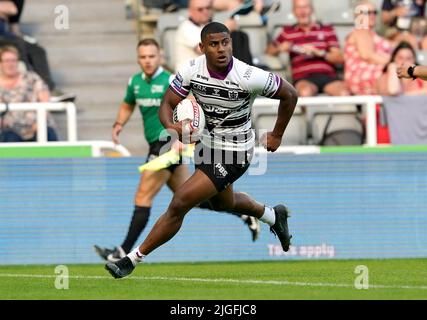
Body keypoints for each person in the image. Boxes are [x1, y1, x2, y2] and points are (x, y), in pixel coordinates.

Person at [105, 22, 298, 279]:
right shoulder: (192, 70)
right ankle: (273, 216)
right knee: (223, 203)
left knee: (180, 201)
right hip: (206, 147)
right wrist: (173, 126)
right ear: (202, 47)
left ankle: (132, 259)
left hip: (235, 153)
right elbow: (167, 102)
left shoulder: (249, 75)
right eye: (214, 44)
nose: (221, 49)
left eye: (225, 42)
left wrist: (276, 134)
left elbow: (290, 95)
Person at [94, 38, 261, 262]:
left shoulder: (170, 80)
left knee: (143, 195)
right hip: (158, 144)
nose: (147, 61)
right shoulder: (134, 82)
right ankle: (242, 211)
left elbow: (193, 108)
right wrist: (118, 125)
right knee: (188, 198)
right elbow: (128, 104)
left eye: (151, 56)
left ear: (160, 57)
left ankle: (122, 252)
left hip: (167, 144)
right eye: (143, 57)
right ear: (137, 59)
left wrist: (183, 137)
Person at [266, 0, 349, 97]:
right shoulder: (288, 32)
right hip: (303, 78)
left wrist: (318, 52)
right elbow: (269, 51)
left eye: (305, 7)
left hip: (327, 76)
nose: (302, 11)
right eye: (298, 8)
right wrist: (280, 48)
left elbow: (339, 58)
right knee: (305, 93)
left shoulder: (327, 29)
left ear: (312, 9)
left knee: (344, 93)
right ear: (293, 11)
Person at [0, 45, 58, 142]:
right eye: (6, 61)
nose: (10, 64)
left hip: (36, 126)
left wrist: (39, 122)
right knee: (8, 138)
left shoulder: (32, 78)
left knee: (47, 134)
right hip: (10, 130)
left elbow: (45, 100)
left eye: (13, 60)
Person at [344, 1, 393, 95]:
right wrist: (394, 63)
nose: (372, 15)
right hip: (363, 78)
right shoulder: (361, 31)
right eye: (367, 13)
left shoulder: (370, 33)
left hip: (373, 77)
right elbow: (367, 55)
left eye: (374, 12)